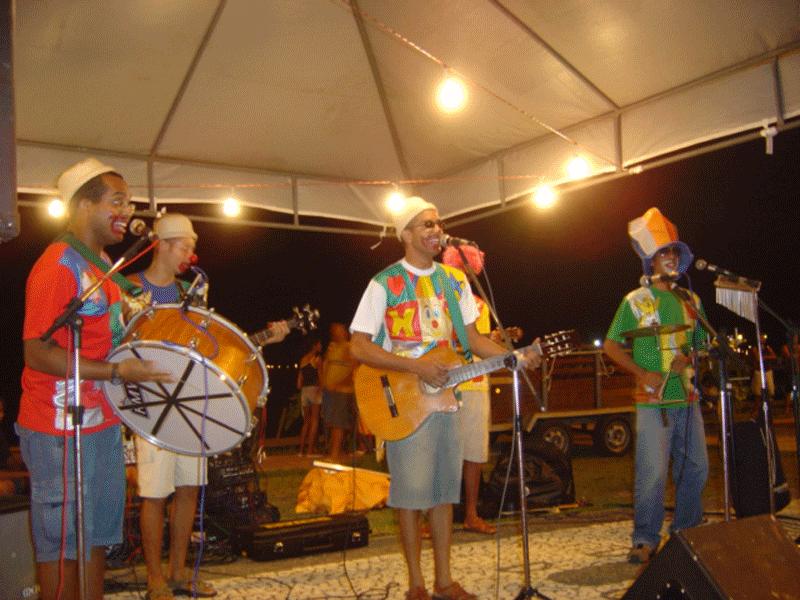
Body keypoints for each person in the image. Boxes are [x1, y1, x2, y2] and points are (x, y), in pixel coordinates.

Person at [350, 196, 539, 600]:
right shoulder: (383, 283)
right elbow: (359, 346)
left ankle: (444, 581)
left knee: (443, 493)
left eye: (438, 224)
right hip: (403, 403)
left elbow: (472, 339)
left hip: (446, 400)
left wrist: (515, 357)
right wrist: (415, 367)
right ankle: (416, 584)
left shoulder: (454, 282)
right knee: (410, 497)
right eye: (427, 224)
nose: (437, 231)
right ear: (405, 234)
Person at [18, 158, 173, 600]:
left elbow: (108, 337)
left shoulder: (102, 264)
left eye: (130, 202)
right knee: (63, 545)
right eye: (117, 201)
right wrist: (116, 371)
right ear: (83, 204)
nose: (128, 211)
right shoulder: (57, 266)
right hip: (58, 429)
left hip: (100, 423)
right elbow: (37, 352)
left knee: (97, 537)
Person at [126, 213, 288, 600]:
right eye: (184, 247)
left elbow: (209, 346)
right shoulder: (129, 288)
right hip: (152, 405)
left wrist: (260, 341)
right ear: (162, 245)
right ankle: (154, 578)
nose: (190, 255)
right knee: (154, 494)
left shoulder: (192, 292)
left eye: (192, 248)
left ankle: (179, 571)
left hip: (189, 403)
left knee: (188, 489)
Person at [603, 207, 708, 565]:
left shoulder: (691, 301)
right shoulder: (635, 301)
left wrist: (688, 358)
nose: (671, 257)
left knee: (696, 468)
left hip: (687, 398)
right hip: (652, 401)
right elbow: (611, 345)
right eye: (665, 252)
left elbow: (701, 345)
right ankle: (645, 538)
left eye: (675, 252)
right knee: (652, 474)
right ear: (651, 260)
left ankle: (685, 534)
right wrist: (641, 373)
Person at [440, 244, 496, 535]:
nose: (462, 274)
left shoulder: (480, 306)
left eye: (466, 270)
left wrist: (510, 354)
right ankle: (437, 518)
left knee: (473, 453)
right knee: (443, 453)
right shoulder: (436, 303)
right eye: (456, 269)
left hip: (474, 385)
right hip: (442, 385)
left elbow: (479, 342)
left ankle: (471, 514)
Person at [321, 323, 356, 462]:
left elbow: (354, 367)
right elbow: (326, 364)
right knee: (330, 422)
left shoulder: (349, 347)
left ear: (345, 332)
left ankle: (334, 455)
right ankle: (336, 451)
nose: (336, 333)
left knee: (338, 423)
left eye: (339, 330)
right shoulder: (332, 347)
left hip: (342, 391)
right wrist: (323, 383)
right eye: (334, 331)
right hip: (329, 391)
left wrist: (340, 383)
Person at [296, 338, 323, 456]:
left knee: (306, 422)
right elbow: (321, 377)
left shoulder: (303, 360)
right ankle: (310, 451)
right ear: (314, 346)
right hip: (314, 389)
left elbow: (298, 383)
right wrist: (321, 390)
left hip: (304, 391)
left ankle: (301, 450)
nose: (321, 346)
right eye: (319, 344)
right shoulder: (317, 359)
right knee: (315, 421)